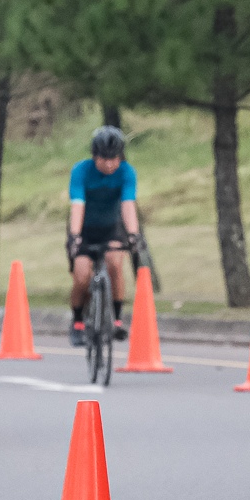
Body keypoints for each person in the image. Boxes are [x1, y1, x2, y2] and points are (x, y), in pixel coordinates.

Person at [67, 125, 140, 347]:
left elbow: (128, 205)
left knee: (115, 264)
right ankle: (78, 321)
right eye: (104, 159)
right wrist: (75, 236)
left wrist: (133, 235)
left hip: (111, 227)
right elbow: (77, 205)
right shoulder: (81, 170)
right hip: (84, 228)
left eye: (114, 159)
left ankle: (117, 319)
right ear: (94, 156)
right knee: (82, 276)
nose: (109, 164)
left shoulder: (126, 172)